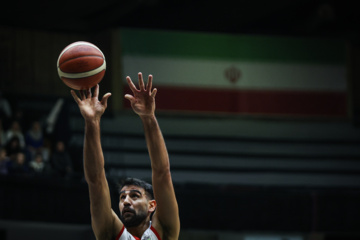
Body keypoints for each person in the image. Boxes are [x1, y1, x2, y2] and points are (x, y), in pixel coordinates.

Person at [71, 72, 180, 240]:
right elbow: (95, 180)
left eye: (134, 195)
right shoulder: (110, 232)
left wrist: (148, 117)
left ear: (152, 205)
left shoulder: (164, 231)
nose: (126, 202)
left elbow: (162, 173)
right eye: (122, 198)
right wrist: (91, 122)